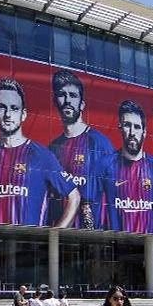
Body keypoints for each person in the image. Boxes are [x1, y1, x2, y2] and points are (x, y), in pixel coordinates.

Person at [0, 78, 81, 226]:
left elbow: (74, 197)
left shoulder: (42, 156)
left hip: (31, 247)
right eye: (1, 107)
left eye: (14, 108)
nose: (8, 114)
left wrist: (55, 237)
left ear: (23, 114)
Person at [86, 100, 153, 235]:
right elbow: (86, 203)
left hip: (149, 251)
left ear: (144, 132)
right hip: (115, 250)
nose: (132, 132)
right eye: (128, 125)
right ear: (120, 127)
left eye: (137, 127)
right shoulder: (104, 165)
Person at [47, 69, 116, 229]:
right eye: (62, 94)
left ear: (82, 104)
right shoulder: (52, 148)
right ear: (54, 101)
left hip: (92, 237)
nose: (67, 100)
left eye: (73, 95)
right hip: (59, 234)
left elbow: (114, 194)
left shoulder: (100, 144)